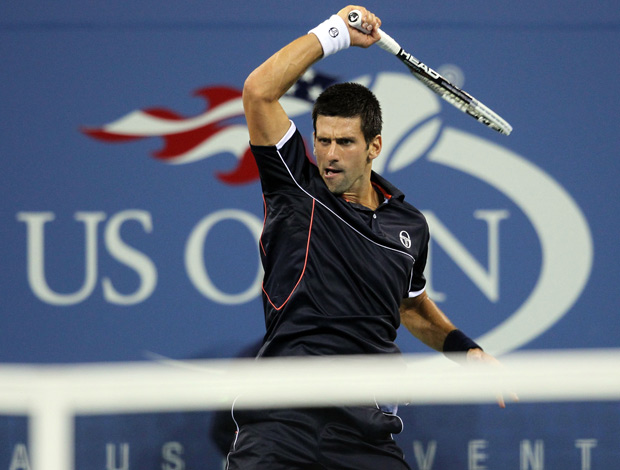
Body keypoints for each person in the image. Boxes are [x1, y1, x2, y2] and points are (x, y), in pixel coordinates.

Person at [227, 6, 508, 469]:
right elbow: (258, 92)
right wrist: (334, 32)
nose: (330, 155)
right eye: (322, 140)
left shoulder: (409, 225)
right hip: (282, 422)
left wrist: (465, 349)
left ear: (374, 146)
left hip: (365, 432)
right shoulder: (298, 188)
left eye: (345, 142)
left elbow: (410, 305)